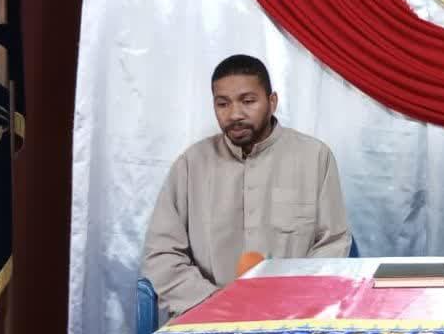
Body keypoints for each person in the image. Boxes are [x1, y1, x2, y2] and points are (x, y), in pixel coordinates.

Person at [141, 54, 351, 317]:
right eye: (223, 104)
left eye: (248, 101)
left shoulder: (315, 157)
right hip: (207, 315)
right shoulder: (191, 164)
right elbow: (161, 254)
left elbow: (333, 243)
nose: (235, 114)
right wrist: (215, 302)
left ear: (272, 102)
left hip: (290, 315)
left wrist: (290, 299)